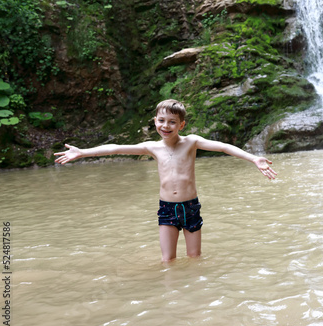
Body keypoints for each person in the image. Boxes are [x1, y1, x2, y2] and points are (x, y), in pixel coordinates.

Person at [54, 99, 277, 262]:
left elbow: (223, 147)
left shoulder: (191, 142)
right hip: (167, 209)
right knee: (167, 260)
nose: (165, 126)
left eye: (172, 122)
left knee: (194, 258)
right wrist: (83, 152)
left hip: (190, 207)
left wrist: (254, 158)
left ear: (181, 125)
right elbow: (114, 148)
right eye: (161, 120)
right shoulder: (152, 147)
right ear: (155, 121)